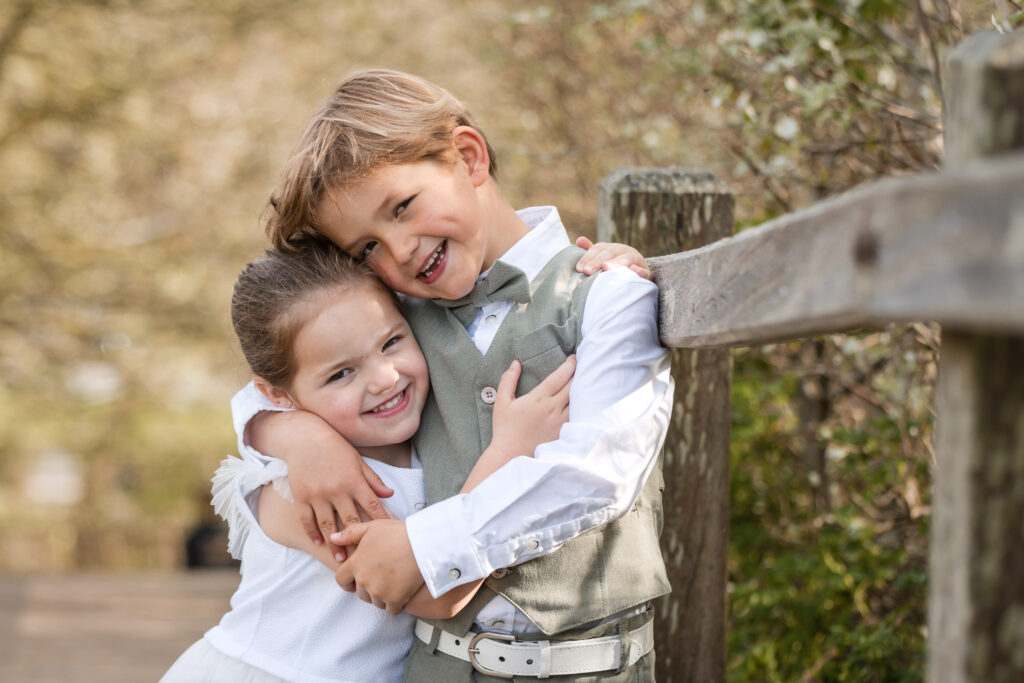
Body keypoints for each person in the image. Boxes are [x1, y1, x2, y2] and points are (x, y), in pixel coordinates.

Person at [234, 69, 675, 681]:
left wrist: (426, 546)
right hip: (432, 665)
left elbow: (599, 471)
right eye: (367, 249)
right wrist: (294, 437)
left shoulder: (605, 296)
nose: (399, 252)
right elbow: (282, 381)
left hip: (594, 666)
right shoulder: (393, 326)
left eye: (403, 208)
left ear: (468, 155)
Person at [162, 238, 577, 682]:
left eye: (392, 342)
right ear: (278, 396)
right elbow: (437, 597)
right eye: (342, 373)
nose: (385, 378)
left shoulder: (432, 435)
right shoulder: (303, 490)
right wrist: (509, 453)